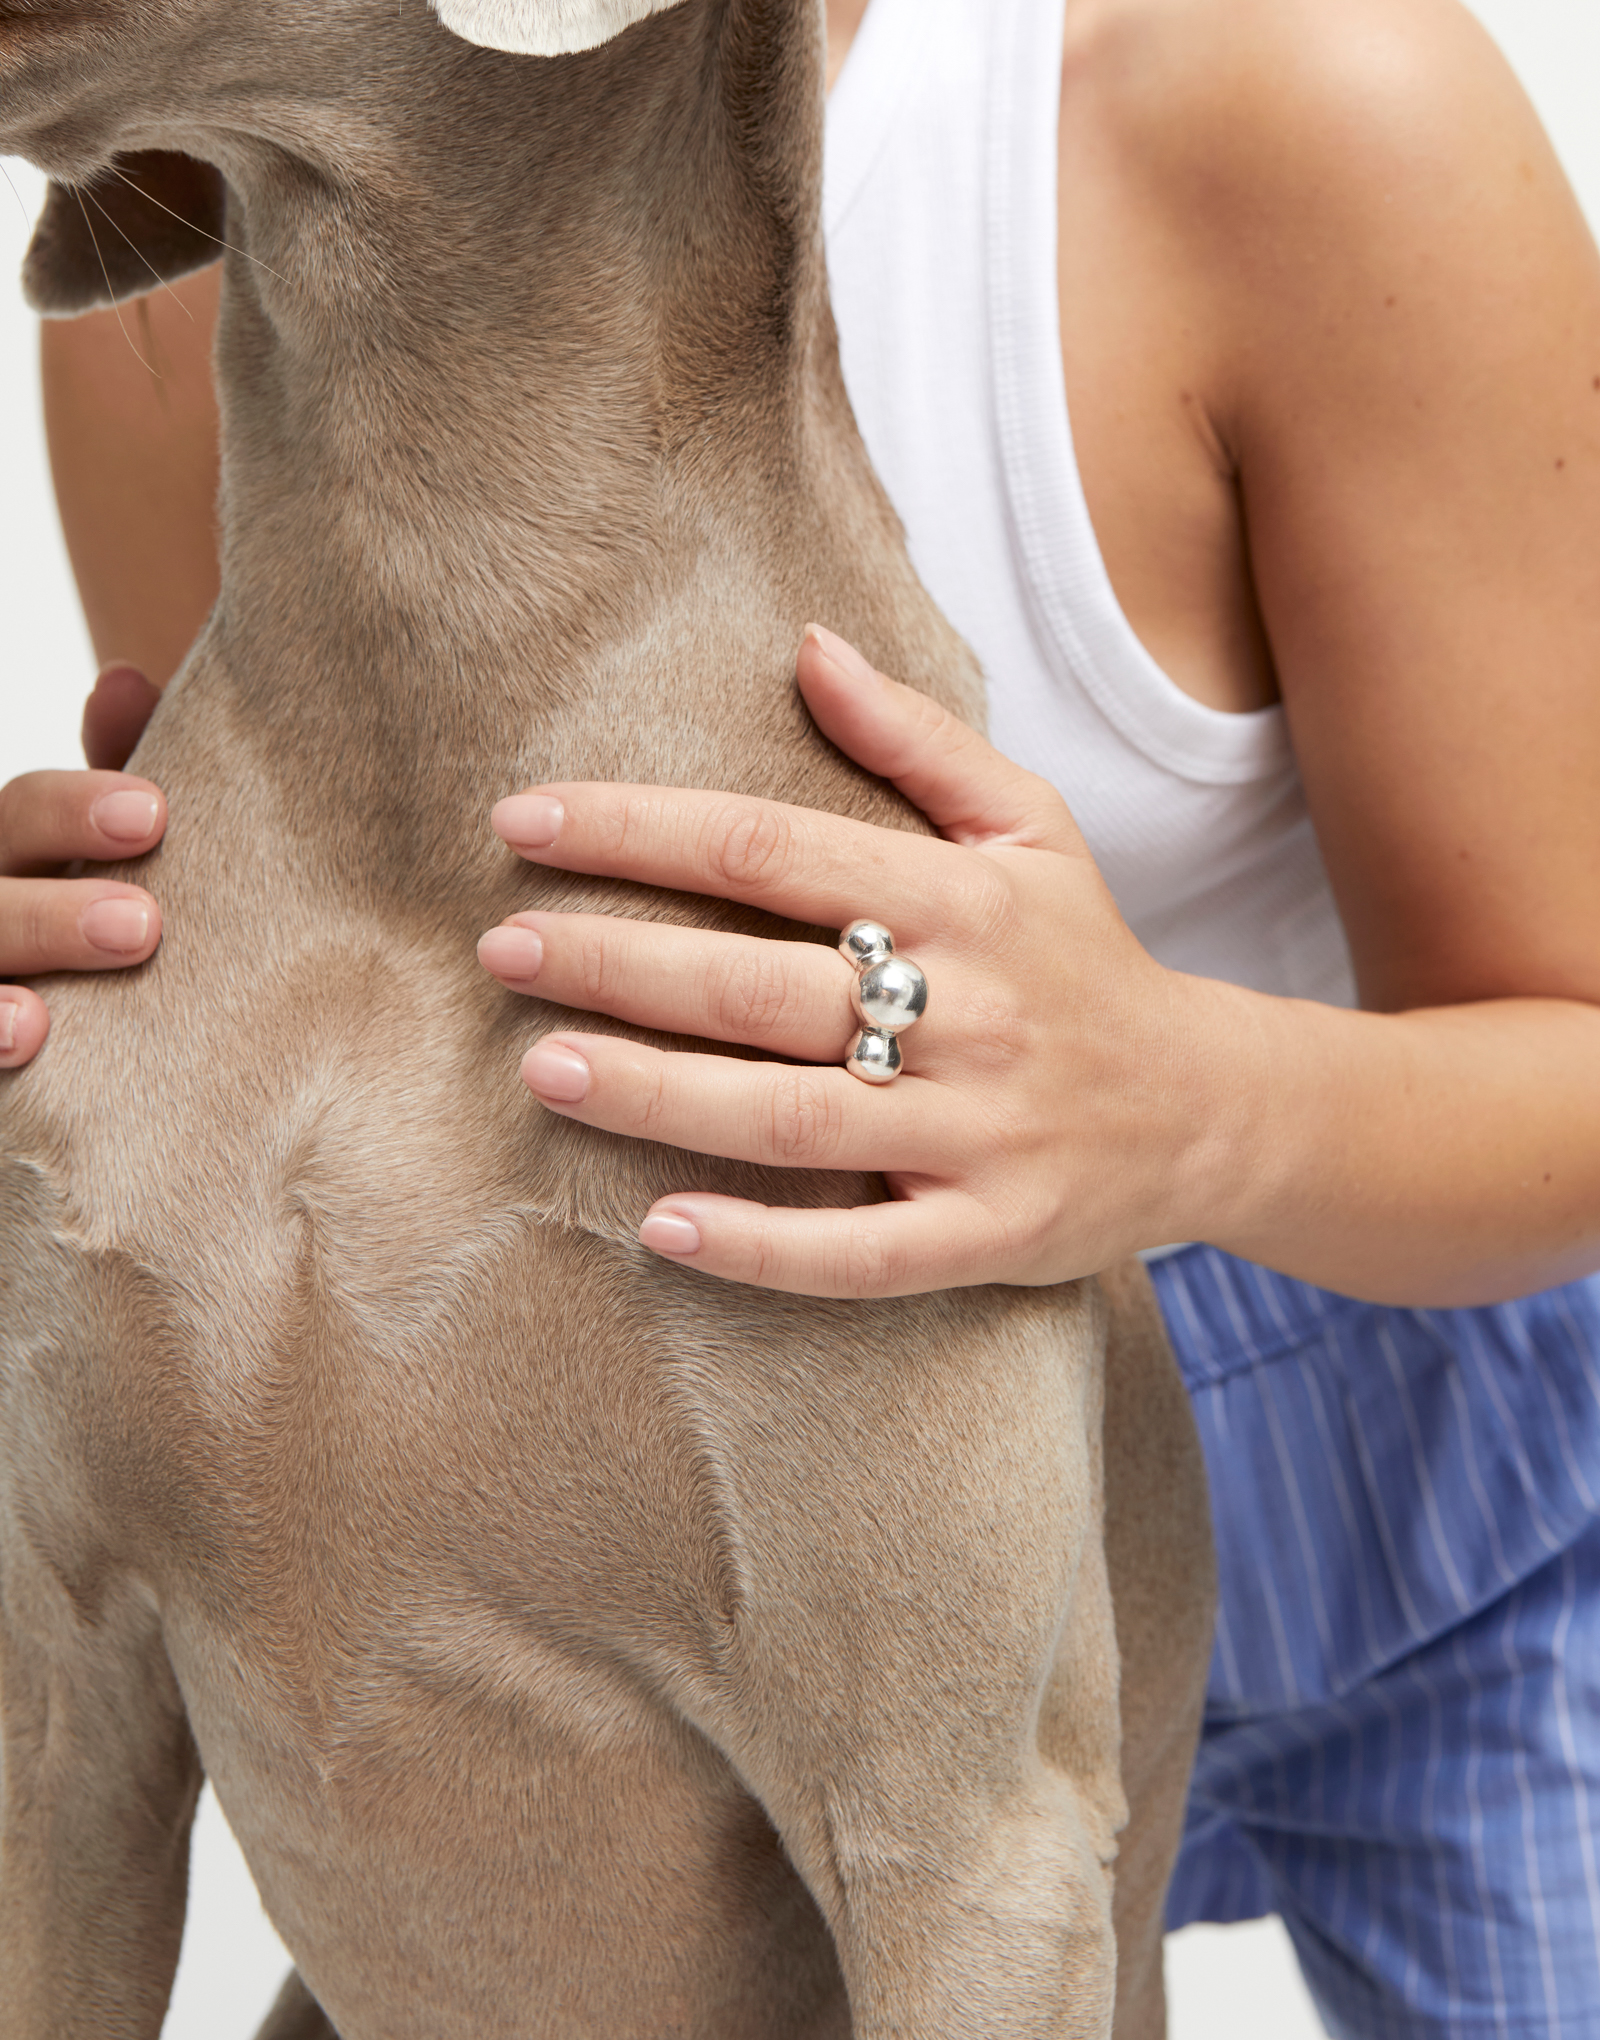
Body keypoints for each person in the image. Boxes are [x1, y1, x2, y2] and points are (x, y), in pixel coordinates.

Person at [4, 0, 1598, 2029]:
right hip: (658, 1526)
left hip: (1436, 1487)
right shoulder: (200, 218)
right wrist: (117, 1027)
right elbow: (334, 1045)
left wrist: (1181, 1105)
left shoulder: (1292, 98)